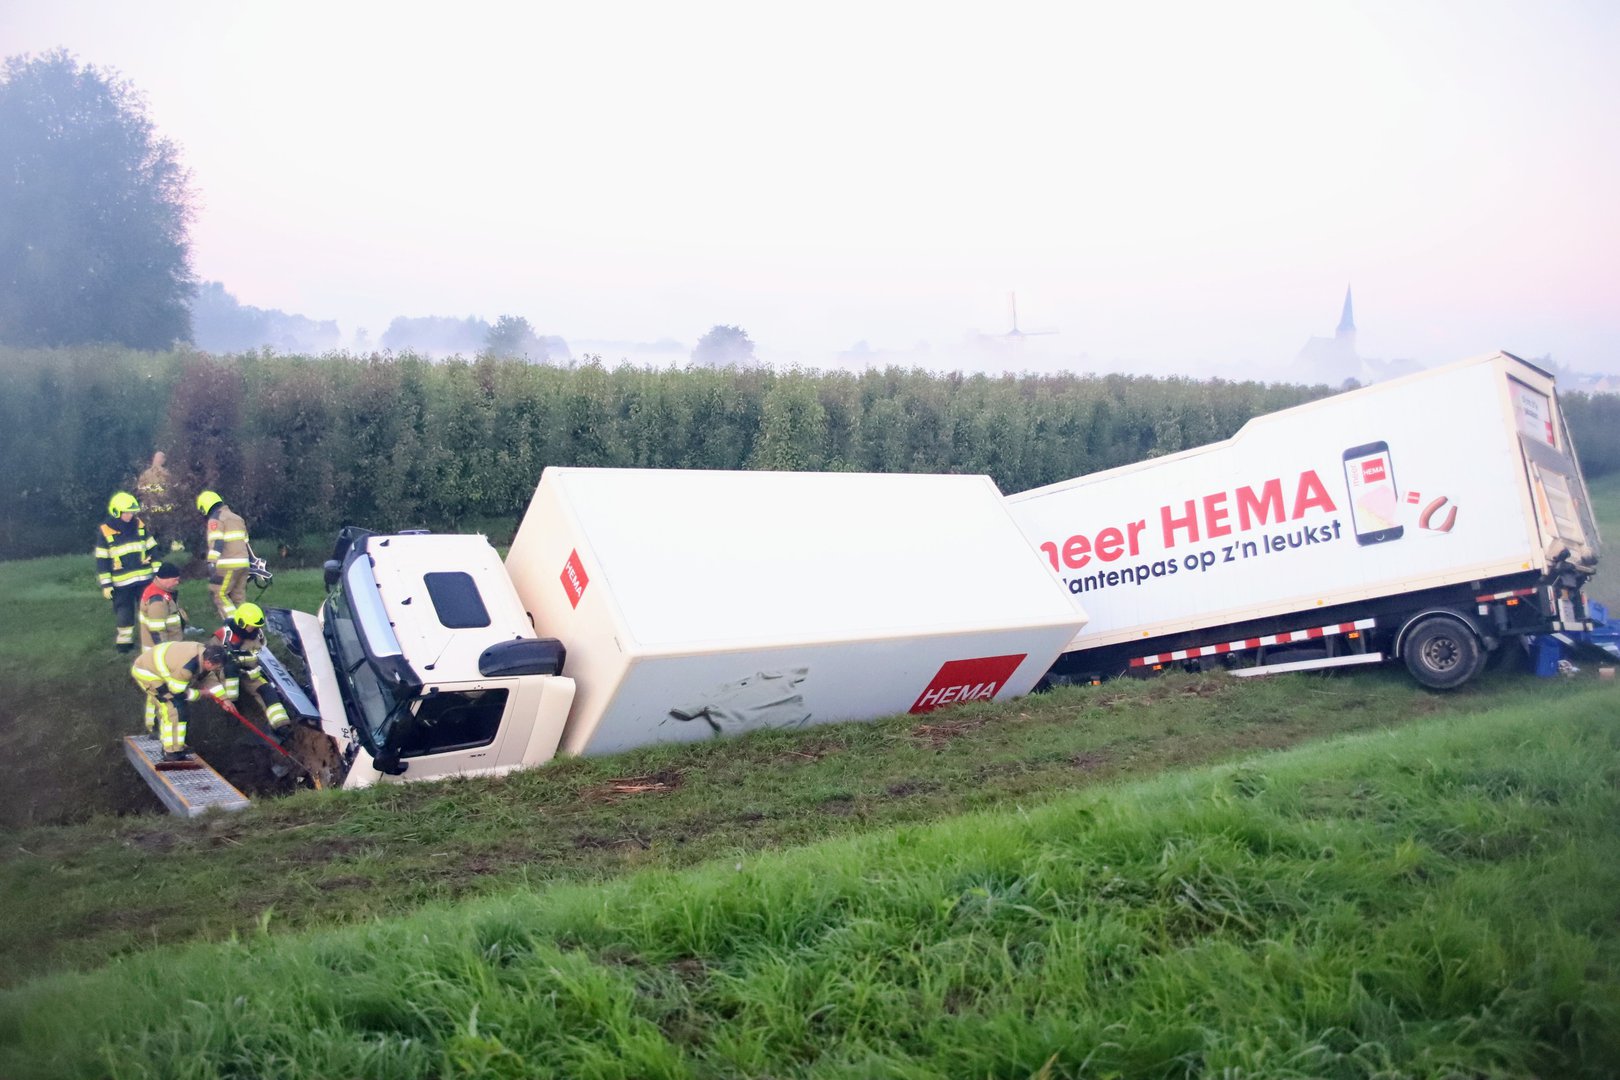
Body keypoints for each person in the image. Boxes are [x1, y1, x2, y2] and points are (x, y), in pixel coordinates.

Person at [130, 642, 227, 761]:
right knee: (174, 708)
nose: (218, 670)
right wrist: (202, 693)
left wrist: (224, 699)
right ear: (208, 662)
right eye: (217, 667)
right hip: (147, 673)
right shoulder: (187, 669)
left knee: (178, 709)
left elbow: (208, 677)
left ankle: (171, 741)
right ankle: (171, 752)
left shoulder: (203, 653)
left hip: (156, 667)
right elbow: (178, 694)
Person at [211, 601, 291, 733]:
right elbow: (210, 659)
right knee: (230, 668)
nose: (254, 629)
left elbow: (263, 654)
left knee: (268, 692)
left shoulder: (257, 635)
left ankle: (281, 725)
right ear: (241, 622)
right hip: (227, 675)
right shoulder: (223, 636)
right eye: (252, 626)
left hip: (251, 675)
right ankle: (233, 709)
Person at [95, 492, 158, 652]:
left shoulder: (140, 526)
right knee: (124, 611)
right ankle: (124, 643)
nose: (130, 515)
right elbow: (102, 560)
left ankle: (152, 639)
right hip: (121, 584)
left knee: (149, 609)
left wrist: (158, 574)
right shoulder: (106, 531)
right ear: (116, 512)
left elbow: (153, 549)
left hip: (144, 579)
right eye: (127, 512)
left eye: (132, 512)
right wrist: (106, 585)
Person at [196, 490, 252, 621]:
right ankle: (247, 624)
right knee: (239, 597)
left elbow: (217, 542)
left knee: (220, 594)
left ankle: (234, 624)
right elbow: (245, 541)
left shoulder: (215, 519)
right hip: (244, 563)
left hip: (227, 564)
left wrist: (211, 563)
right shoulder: (237, 518)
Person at [134, 451, 182, 551]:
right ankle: (154, 549)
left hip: (164, 509)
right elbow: (140, 489)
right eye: (158, 458)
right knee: (152, 532)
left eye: (161, 458)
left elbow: (172, 489)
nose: (159, 460)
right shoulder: (146, 474)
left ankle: (167, 547)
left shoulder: (167, 474)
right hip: (152, 509)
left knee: (166, 530)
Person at [137, 562, 187, 649]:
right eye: (175, 580)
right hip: (163, 649)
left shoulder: (158, 591)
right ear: (165, 579)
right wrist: (164, 650)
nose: (177, 582)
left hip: (169, 646)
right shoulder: (158, 601)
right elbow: (157, 632)